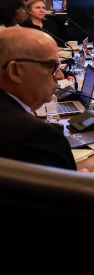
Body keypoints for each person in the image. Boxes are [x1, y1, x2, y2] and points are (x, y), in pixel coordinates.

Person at [0, 28, 77, 170]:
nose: (60, 76)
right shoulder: (36, 136)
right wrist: (83, 187)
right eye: (52, 67)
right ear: (15, 71)